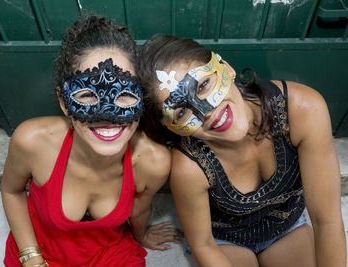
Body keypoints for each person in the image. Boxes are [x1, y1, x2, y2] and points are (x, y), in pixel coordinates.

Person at [137, 35, 346, 267]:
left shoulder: (303, 110)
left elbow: (327, 220)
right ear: (171, 128)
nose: (206, 111)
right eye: (181, 113)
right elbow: (203, 243)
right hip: (225, 242)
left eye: (204, 85)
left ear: (226, 68)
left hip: (287, 226)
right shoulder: (189, 167)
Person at [1, 16, 180, 267]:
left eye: (125, 94)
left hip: (107, 253)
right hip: (42, 249)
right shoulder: (32, 141)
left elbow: (139, 210)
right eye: (87, 95)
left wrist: (141, 235)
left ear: (142, 99)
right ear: (64, 102)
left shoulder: (153, 161)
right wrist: (31, 256)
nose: (106, 114)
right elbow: (11, 191)